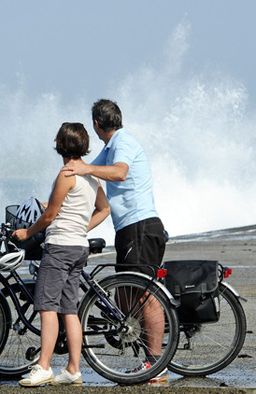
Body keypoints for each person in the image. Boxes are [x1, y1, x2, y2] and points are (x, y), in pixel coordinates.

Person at [61, 98, 169, 382]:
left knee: (144, 294)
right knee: (127, 296)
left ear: (97, 125)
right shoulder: (111, 147)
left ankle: (156, 363)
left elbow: (118, 173)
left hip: (140, 227)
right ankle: (150, 354)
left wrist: (83, 169)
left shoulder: (122, 143)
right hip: (128, 229)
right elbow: (87, 175)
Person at [12, 122, 110, 387]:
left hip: (59, 248)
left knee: (46, 307)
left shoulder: (66, 174)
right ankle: (73, 370)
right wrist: (80, 227)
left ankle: (44, 366)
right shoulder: (91, 176)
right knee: (69, 310)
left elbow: (51, 216)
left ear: (61, 144)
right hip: (78, 247)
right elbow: (103, 209)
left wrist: (27, 233)